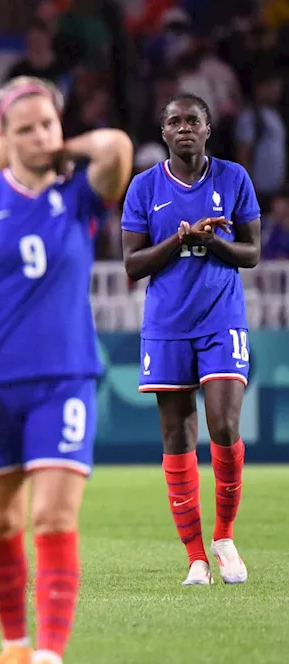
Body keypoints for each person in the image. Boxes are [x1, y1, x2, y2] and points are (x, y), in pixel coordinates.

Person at [0, 76, 132, 664]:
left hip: (64, 380)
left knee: (52, 514)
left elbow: (118, 148)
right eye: (24, 128)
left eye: (47, 124)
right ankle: (14, 644)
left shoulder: (77, 197)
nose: (39, 135)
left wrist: (60, 145)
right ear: (3, 136)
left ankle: (50, 652)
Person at [121, 92, 261, 587]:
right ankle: (196, 557)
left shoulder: (234, 178)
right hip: (166, 325)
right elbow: (132, 265)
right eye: (175, 121)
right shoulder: (143, 188)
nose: (184, 128)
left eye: (193, 120)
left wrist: (211, 242)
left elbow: (252, 253)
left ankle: (224, 536)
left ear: (208, 129)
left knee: (222, 426)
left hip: (222, 318)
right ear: (163, 133)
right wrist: (180, 240)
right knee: (177, 436)